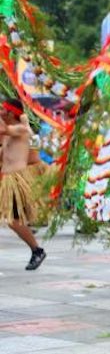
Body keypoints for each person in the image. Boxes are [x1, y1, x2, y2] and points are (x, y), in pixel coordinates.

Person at [0, 99, 46, 270]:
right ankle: (36, 249)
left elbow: (3, 129)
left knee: (13, 220)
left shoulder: (21, 129)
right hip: (6, 180)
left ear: (11, 113)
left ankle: (37, 250)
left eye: (2, 110)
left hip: (16, 181)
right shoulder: (9, 133)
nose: (0, 112)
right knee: (12, 220)